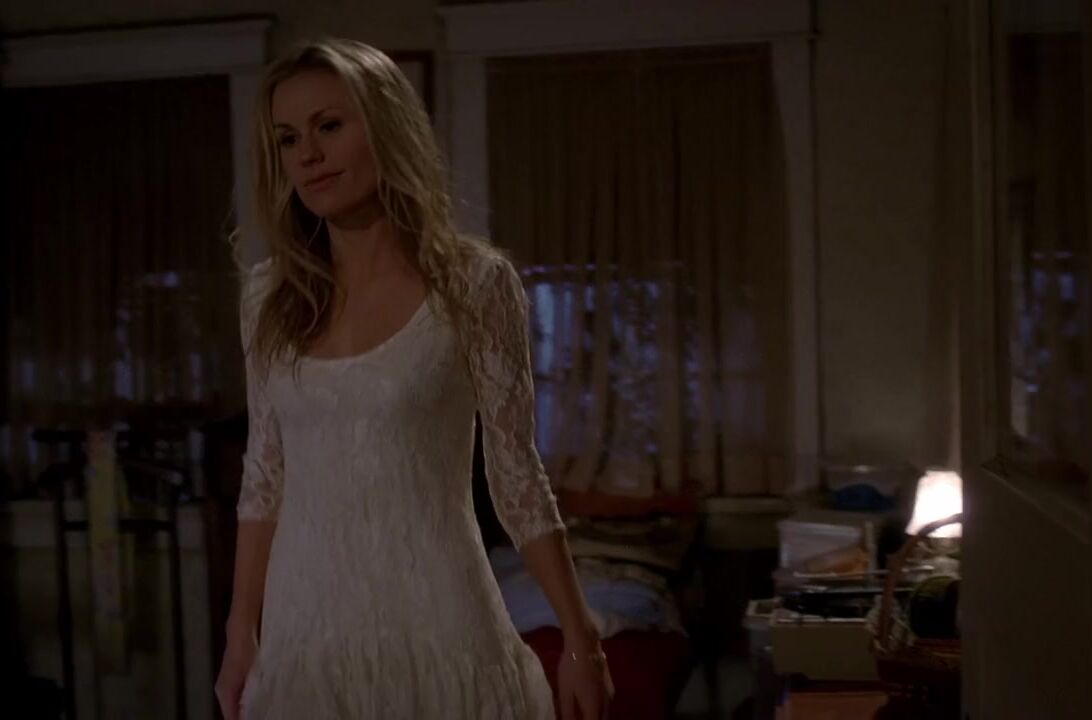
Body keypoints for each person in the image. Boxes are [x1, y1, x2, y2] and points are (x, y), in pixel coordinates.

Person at [214, 38, 614, 720]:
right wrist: (239, 632)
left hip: (440, 623)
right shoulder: (268, 296)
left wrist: (581, 640)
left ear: (386, 128)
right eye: (288, 139)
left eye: (328, 126)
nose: (307, 155)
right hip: (307, 634)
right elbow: (265, 475)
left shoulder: (473, 285)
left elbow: (517, 478)